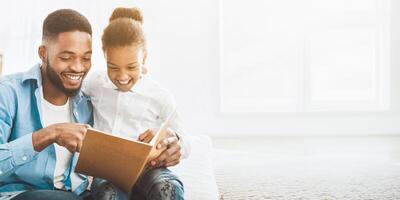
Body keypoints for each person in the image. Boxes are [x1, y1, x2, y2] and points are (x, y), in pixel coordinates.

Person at [83, 7, 189, 200]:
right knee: (107, 195)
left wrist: (174, 140)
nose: (122, 76)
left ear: (144, 58)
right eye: (113, 67)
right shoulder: (94, 83)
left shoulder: (159, 95)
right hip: (108, 173)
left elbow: (185, 142)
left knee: (168, 188)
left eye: (131, 67)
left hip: (151, 170)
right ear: (104, 56)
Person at [0, 9, 94, 200]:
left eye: (85, 58)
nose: (78, 67)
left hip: (76, 194)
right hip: (20, 194)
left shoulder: (88, 102)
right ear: (43, 53)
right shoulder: (8, 93)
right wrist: (51, 134)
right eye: (66, 58)